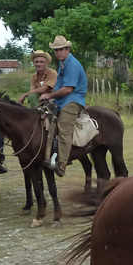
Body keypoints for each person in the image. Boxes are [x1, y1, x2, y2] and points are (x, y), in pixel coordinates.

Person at [40, 35, 88, 178]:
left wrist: (49, 96)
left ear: (68, 49)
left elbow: (68, 89)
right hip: (63, 99)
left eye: (61, 49)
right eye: (56, 50)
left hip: (73, 100)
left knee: (64, 128)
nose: (58, 52)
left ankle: (62, 164)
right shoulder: (63, 63)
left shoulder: (71, 65)